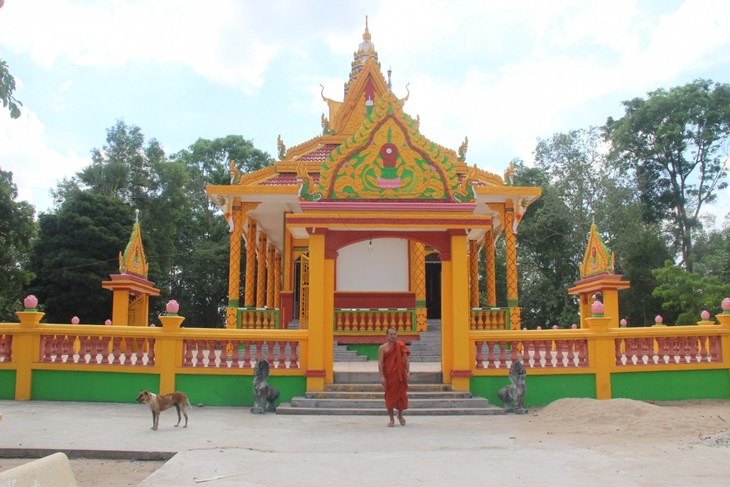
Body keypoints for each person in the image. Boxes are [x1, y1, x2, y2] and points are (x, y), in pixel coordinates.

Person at [377, 327, 410, 427]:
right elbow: (380, 363)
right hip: (389, 376)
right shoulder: (382, 348)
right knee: (389, 397)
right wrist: (382, 376)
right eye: (391, 334)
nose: (393, 336)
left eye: (394, 334)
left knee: (402, 396)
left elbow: (406, 360)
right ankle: (391, 419)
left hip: (400, 375)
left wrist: (408, 372)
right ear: (386, 336)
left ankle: (399, 415)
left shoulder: (400, 346)